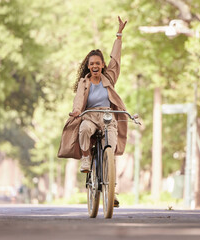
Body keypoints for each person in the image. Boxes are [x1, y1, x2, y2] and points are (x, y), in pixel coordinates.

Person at [58, 16, 128, 206]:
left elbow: (116, 58)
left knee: (110, 150)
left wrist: (119, 35)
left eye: (98, 63)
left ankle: (111, 191)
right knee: (84, 130)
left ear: (103, 65)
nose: (95, 66)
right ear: (88, 67)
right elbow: (79, 99)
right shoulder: (84, 82)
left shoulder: (109, 79)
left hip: (108, 117)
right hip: (89, 116)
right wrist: (76, 111)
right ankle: (86, 159)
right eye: (92, 64)